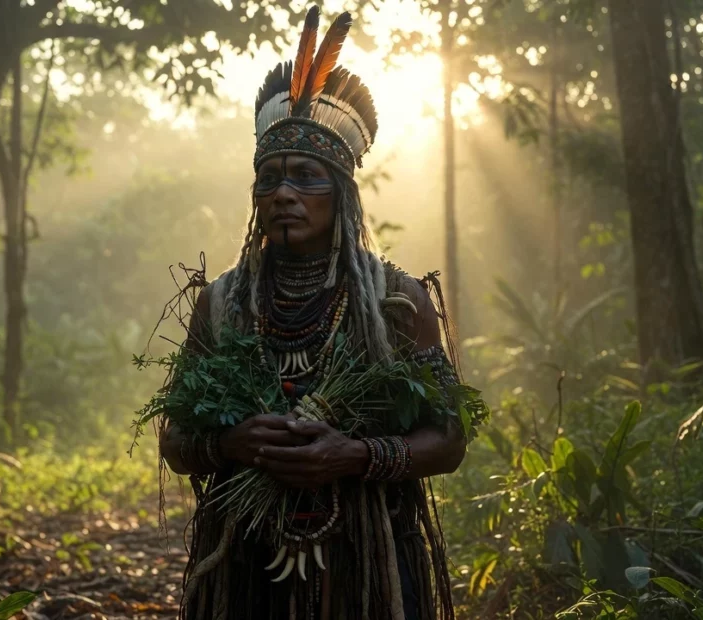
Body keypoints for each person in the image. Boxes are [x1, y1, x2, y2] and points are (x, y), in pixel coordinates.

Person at [158, 7, 475, 619]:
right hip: (244, 563)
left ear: (344, 194)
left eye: (306, 177)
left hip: (370, 562)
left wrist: (355, 456)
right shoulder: (222, 303)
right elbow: (174, 438)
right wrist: (231, 442)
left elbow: (451, 439)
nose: (283, 193)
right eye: (270, 179)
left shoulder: (398, 301)